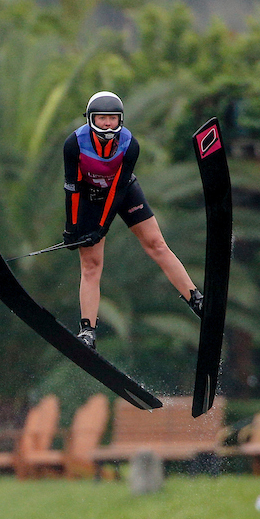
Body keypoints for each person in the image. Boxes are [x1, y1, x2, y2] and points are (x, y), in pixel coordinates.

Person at [62, 91, 203, 350]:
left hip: (123, 193)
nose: (107, 124)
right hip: (89, 198)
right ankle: (87, 331)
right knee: (91, 265)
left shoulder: (129, 144)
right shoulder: (74, 143)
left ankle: (196, 299)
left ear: (121, 120)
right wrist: (71, 229)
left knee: (156, 244)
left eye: (112, 118)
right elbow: (72, 187)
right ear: (90, 119)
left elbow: (117, 189)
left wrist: (101, 229)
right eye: (102, 118)